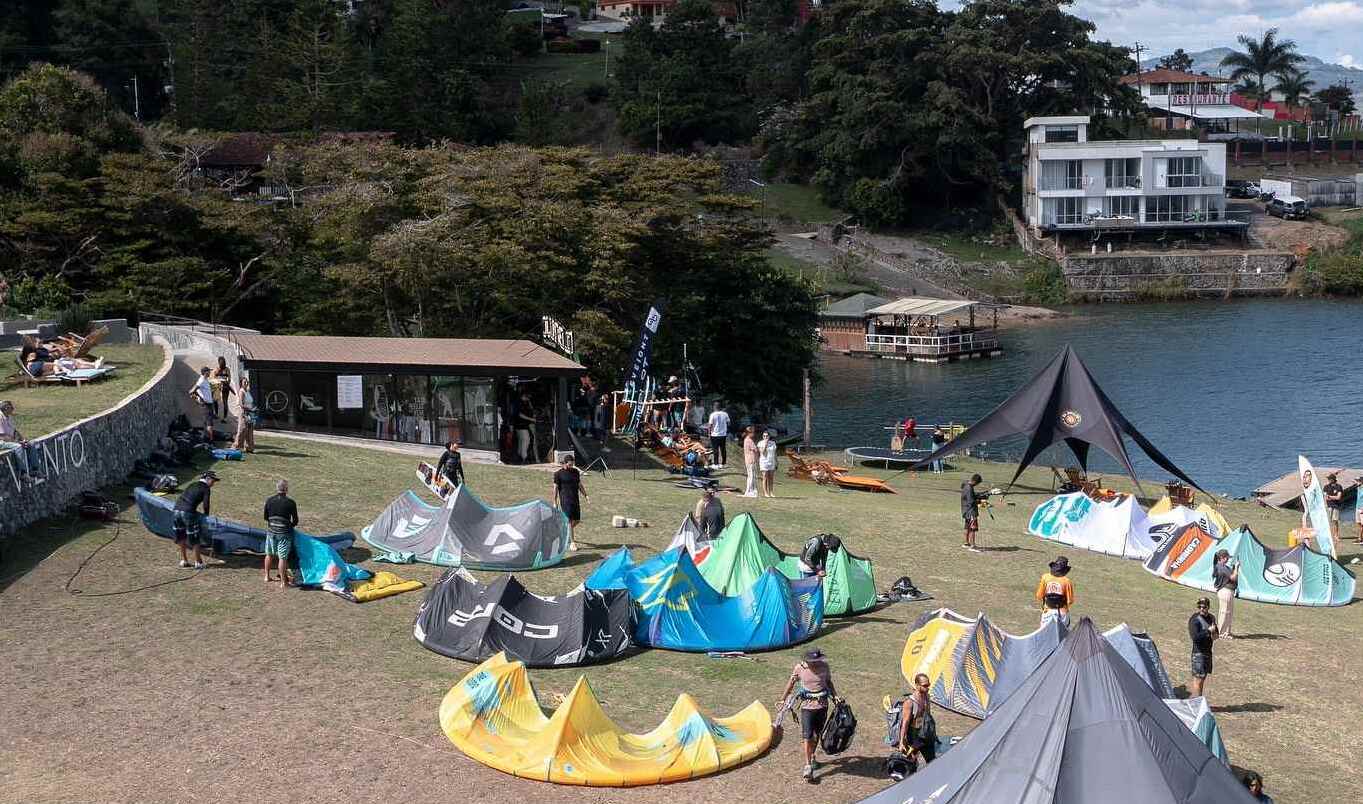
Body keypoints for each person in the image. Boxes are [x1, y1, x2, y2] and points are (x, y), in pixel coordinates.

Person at [778, 648, 836, 782]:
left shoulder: (825, 667)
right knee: (807, 736)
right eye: (812, 661)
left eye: (817, 661)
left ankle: (812, 755)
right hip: (807, 708)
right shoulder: (799, 668)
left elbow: (828, 682)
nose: (815, 664)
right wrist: (783, 698)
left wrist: (835, 696)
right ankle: (808, 765)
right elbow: (791, 683)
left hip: (822, 706)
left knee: (817, 734)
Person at [172, 471, 220, 570]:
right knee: (194, 538)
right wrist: (206, 517)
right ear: (207, 478)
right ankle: (198, 562)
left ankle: (184, 560)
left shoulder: (192, 484)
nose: (213, 483)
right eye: (213, 481)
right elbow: (206, 504)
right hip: (188, 513)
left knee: (181, 536)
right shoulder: (205, 488)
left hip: (176, 510)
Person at [263, 479, 298, 587]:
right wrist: (289, 526)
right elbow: (295, 520)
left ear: (277, 488)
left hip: (271, 532)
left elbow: (265, 517)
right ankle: (283, 582)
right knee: (282, 558)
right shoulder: (291, 503)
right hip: (284, 534)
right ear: (286, 489)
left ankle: (267, 576)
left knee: (269, 554)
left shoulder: (269, 500)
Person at [897, 672, 937, 765]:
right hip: (913, 736)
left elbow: (928, 716)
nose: (927, 688)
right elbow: (905, 724)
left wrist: (931, 732)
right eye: (925, 685)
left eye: (928, 685)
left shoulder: (927, 696)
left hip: (925, 734)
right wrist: (902, 742)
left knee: (932, 761)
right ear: (917, 685)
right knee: (910, 763)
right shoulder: (909, 703)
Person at [0, 400, 43, 479]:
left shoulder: (9, 417)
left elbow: (15, 431)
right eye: (11, 407)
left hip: (10, 439)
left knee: (31, 443)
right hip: (2, 441)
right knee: (18, 447)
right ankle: (23, 473)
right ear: (6, 408)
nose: (13, 408)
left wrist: (23, 439)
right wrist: (18, 442)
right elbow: (2, 436)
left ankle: (35, 469)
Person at [552, 453, 586, 551]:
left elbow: (579, 484)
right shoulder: (558, 474)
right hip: (565, 500)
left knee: (577, 520)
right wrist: (555, 501)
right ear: (565, 463)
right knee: (570, 521)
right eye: (569, 465)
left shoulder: (575, 472)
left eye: (572, 464)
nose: (571, 466)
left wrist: (586, 495)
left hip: (575, 499)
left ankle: (564, 531)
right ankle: (572, 543)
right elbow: (555, 488)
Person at [1188, 597, 1219, 698]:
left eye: (1204, 607)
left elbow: (1216, 636)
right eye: (1199, 606)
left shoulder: (1212, 618)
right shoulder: (1195, 619)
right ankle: (1197, 702)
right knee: (1198, 679)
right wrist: (1208, 631)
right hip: (1198, 653)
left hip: (1208, 653)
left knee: (1202, 679)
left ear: (1208, 607)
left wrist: (1214, 633)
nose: (1201, 609)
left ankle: (1196, 700)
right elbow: (1195, 637)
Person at [1035, 556, 1075, 626]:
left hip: (1047, 611)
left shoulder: (1045, 577)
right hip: (1062, 613)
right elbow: (1070, 601)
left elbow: (1039, 596)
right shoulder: (1067, 582)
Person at [1212, 548, 1239, 639]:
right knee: (1224, 612)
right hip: (1225, 591)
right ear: (1222, 557)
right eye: (1227, 557)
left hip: (1228, 591)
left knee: (1228, 612)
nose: (1228, 559)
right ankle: (1221, 632)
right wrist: (1237, 568)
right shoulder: (1221, 567)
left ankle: (1226, 632)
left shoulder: (1223, 567)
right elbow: (1233, 578)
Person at [189, 366, 216, 442]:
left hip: (209, 405)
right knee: (209, 423)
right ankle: (211, 441)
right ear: (205, 372)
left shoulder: (205, 380)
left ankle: (206, 439)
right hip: (206, 405)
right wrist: (198, 400)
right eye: (209, 371)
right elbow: (192, 391)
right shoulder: (201, 381)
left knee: (207, 423)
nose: (210, 372)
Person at [231, 376, 256, 452]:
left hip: (251, 413)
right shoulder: (241, 391)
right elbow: (241, 404)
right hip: (244, 413)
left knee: (250, 430)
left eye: (247, 382)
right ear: (241, 383)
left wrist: (253, 408)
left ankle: (249, 447)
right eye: (244, 382)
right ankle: (236, 446)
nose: (246, 383)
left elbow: (250, 402)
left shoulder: (248, 391)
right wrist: (250, 409)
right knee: (242, 430)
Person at [961, 473, 983, 552]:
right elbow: (971, 501)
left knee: (967, 527)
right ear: (975, 481)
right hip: (971, 512)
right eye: (977, 483)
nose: (976, 485)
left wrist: (980, 495)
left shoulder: (966, 485)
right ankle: (973, 546)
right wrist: (980, 501)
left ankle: (966, 543)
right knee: (973, 528)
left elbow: (970, 496)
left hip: (966, 511)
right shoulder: (969, 488)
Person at [706, 404, 730, 468]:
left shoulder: (712, 414)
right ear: (720, 407)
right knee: (723, 449)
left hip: (715, 434)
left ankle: (716, 464)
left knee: (715, 449)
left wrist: (709, 433)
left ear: (714, 407)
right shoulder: (725, 414)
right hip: (723, 434)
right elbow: (728, 423)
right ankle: (723, 463)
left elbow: (710, 425)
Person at [211, 356, 234, 423]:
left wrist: (219, 380)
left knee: (216, 400)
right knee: (224, 402)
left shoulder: (217, 369)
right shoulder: (227, 369)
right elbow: (229, 379)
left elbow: (213, 378)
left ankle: (216, 414)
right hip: (225, 387)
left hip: (219, 386)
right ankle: (224, 417)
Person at [1323, 472, 1345, 544]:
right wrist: (1331, 497)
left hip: (1336, 506)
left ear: (1333, 479)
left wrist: (1329, 497)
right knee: (1328, 521)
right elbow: (1325, 497)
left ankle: (1336, 535)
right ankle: (1328, 535)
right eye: (1328, 479)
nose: (1328, 480)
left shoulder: (1339, 486)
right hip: (1328, 506)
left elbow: (1338, 497)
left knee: (1335, 521)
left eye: (1329, 479)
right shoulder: (1326, 487)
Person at [514, 391, 535, 463]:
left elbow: (531, 409)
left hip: (521, 425)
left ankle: (520, 456)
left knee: (521, 440)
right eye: (528, 397)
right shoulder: (520, 403)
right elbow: (520, 414)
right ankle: (524, 457)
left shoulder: (524, 403)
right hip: (521, 425)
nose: (528, 398)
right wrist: (531, 419)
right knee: (526, 440)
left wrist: (529, 402)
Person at [758, 430, 778, 498]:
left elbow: (775, 453)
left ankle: (771, 492)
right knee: (765, 477)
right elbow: (762, 452)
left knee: (771, 478)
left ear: (769, 436)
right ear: (762, 436)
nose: (765, 437)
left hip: (771, 461)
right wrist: (765, 444)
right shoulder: (760, 443)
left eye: (767, 436)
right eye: (764, 436)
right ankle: (765, 493)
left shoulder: (773, 443)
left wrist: (776, 461)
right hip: (764, 462)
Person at [742, 426, 759, 498]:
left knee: (751, 476)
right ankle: (749, 491)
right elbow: (755, 449)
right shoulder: (749, 440)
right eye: (753, 432)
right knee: (751, 476)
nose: (754, 434)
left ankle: (752, 491)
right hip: (751, 460)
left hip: (749, 459)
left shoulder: (747, 440)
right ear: (749, 433)